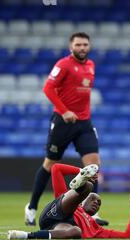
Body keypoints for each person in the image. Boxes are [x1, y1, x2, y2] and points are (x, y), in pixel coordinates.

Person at [24, 32, 108, 226]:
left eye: (85, 44)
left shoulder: (91, 65)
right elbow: (48, 88)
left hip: (84, 123)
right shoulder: (63, 65)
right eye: (78, 45)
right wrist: (64, 111)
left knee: (93, 166)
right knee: (50, 164)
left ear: (89, 46)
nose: (82, 48)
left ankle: (91, 215)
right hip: (63, 122)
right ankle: (32, 207)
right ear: (71, 47)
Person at [8, 164, 130, 239]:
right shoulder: (76, 205)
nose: (96, 202)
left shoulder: (96, 229)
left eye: (99, 203)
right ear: (84, 201)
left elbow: (128, 235)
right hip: (57, 210)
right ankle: (83, 178)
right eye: (93, 199)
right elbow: (56, 169)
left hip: (56, 227)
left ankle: (26, 236)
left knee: (75, 232)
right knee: (89, 186)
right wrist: (81, 170)